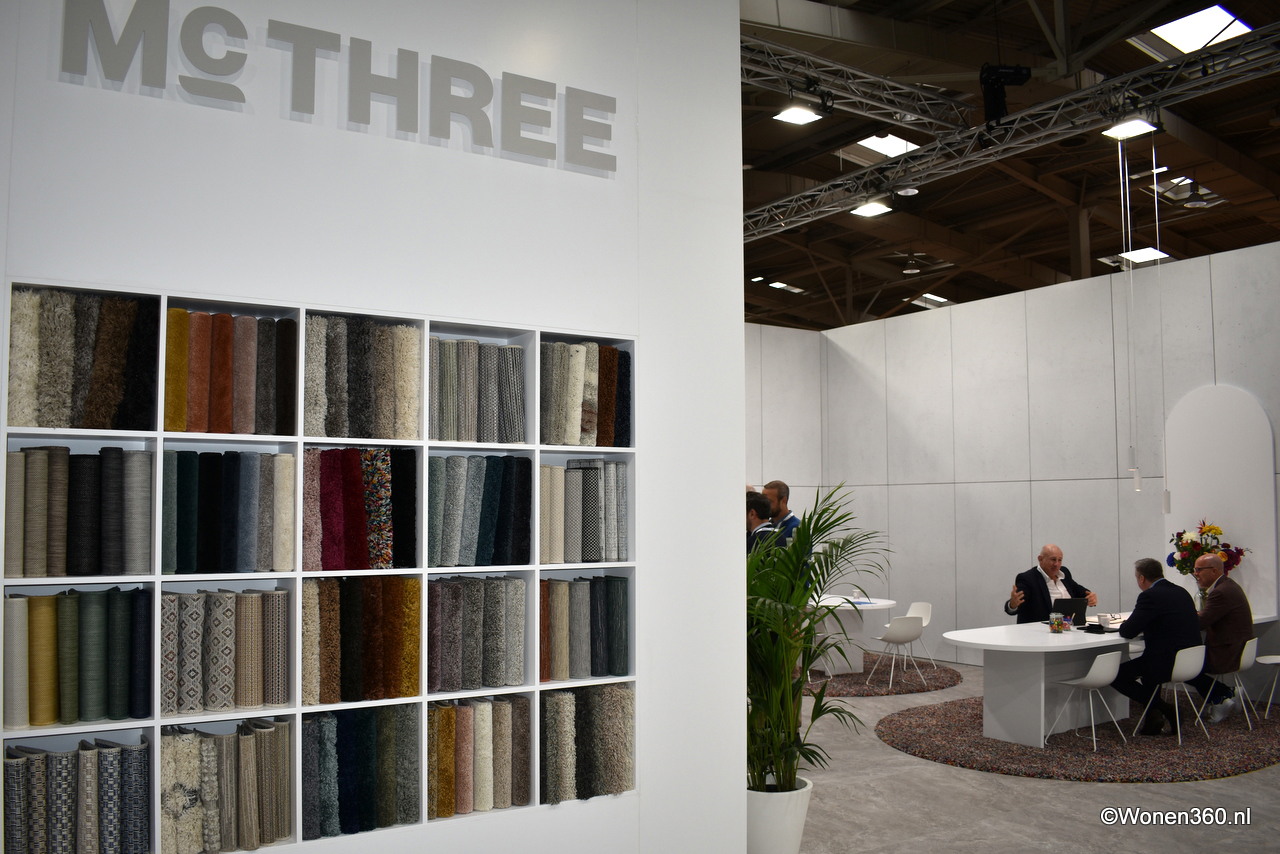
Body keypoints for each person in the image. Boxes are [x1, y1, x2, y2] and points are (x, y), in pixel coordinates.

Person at [1110, 557, 1202, 736]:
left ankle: (1167, 709)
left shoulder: (1150, 596)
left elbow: (1128, 631)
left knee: (1116, 675)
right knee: (1148, 673)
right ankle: (1153, 721)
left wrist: (1125, 624)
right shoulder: (1181, 592)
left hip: (1166, 661)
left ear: (1142, 578)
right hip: (1191, 659)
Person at [1186, 553, 1253, 722]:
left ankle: (1220, 697)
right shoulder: (1228, 586)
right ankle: (1227, 692)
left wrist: (1181, 616)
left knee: (1184, 667)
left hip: (1227, 651)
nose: (1195, 574)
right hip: (1237, 647)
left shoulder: (1220, 592)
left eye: (1199, 570)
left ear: (1214, 570)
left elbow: (1200, 623)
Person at [1003, 544, 1097, 623]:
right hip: (1041, 631)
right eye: (1053, 559)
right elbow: (1016, 605)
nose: (1056, 564)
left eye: (1059, 560)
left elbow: (1078, 590)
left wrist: (1090, 597)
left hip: (1070, 628)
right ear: (1040, 559)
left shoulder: (1064, 573)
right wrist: (1012, 605)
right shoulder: (1028, 578)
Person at [761, 480, 800, 546]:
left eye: (769, 502)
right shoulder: (767, 526)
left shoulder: (797, 528)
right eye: (763, 502)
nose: (765, 506)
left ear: (783, 501)